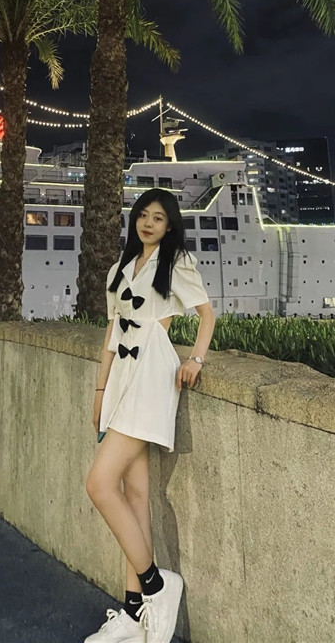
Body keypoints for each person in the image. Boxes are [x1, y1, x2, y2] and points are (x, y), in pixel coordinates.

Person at [85, 188, 216, 643]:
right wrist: (100, 391)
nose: (148, 223)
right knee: (135, 493)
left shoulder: (176, 262)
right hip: (122, 378)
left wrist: (195, 360)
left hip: (152, 372)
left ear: (169, 224)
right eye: (143, 215)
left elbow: (206, 315)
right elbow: (111, 333)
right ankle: (132, 611)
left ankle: (157, 585)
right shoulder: (119, 269)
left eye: (158, 217)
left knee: (99, 484)